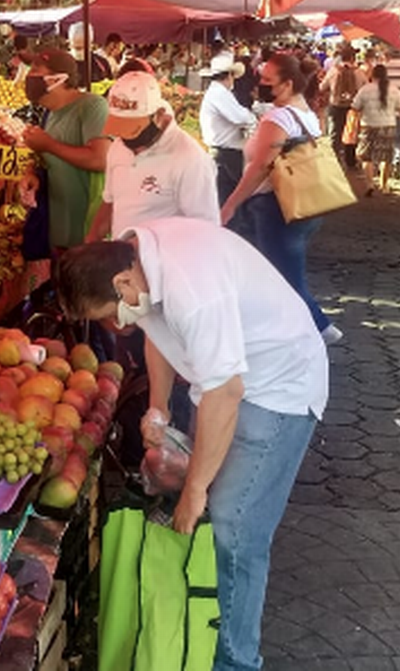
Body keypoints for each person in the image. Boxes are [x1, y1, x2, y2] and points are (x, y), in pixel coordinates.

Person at [55, 218, 328, 671]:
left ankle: (236, 661)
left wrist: (197, 489)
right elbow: (159, 336)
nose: (110, 325)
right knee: (207, 512)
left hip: (280, 388)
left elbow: (227, 392)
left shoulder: (192, 291)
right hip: (227, 379)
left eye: (106, 313)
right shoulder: (138, 258)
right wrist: (158, 408)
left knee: (233, 529)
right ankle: (199, 632)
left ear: (123, 281)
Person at [220, 54, 342, 345]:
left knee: (284, 277)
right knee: (284, 271)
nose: (260, 85)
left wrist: (231, 204)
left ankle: (320, 328)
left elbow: (259, 167)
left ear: (287, 84)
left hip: (276, 206)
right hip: (307, 204)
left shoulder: (278, 118)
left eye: (267, 81)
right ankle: (292, 330)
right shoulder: (306, 114)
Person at [87, 70, 218, 242]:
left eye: (133, 130)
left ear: (158, 115)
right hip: (124, 262)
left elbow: (205, 229)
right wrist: (90, 242)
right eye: (120, 128)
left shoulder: (190, 158)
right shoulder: (118, 147)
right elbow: (110, 202)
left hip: (165, 264)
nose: (125, 139)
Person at [20, 48, 110, 252]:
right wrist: (32, 174)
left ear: (57, 79)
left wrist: (48, 144)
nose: (28, 76)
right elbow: (49, 159)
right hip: (57, 229)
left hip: (85, 232)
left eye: (35, 70)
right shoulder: (48, 114)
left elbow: (100, 159)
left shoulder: (92, 106)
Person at [200, 52, 256, 215]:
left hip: (225, 152)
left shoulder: (220, 92)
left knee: (229, 197)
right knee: (231, 199)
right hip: (225, 153)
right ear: (229, 75)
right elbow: (240, 117)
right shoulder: (219, 93)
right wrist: (252, 116)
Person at [350, 64, 400, 197]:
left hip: (369, 126)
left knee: (367, 157)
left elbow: (354, 107)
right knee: (386, 157)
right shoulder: (393, 90)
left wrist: (354, 125)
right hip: (388, 126)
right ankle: (384, 186)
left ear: (372, 75)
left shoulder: (365, 90)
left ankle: (370, 184)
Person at [320, 46, 366, 169]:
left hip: (336, 105)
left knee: (335, 133)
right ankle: (350, 161)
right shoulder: (359, 72)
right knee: (351, 134)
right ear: (352, 57)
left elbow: (322, 87)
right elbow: (365, 88)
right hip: (353, 107)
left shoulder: (333, 71)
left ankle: (335, 161)